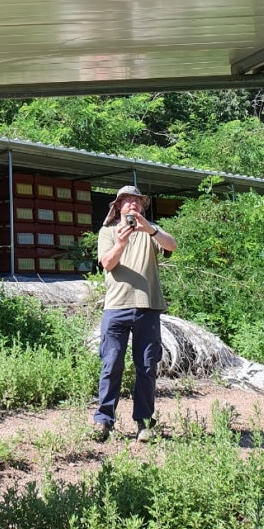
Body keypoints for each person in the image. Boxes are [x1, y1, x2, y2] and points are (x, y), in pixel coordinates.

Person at [91, 184, 177, 443]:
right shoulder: (107, 232)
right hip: (116, 308)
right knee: (111, 364)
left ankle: (144, 424)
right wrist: (121, 241)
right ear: (117, 206)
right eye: (127, 200)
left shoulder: (151, 232)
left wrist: (149, 228)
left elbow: (172, 245)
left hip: (147, 308)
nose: (133, 204)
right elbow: (107, 263)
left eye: (137, 201)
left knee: (147, 366)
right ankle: (104, 422)